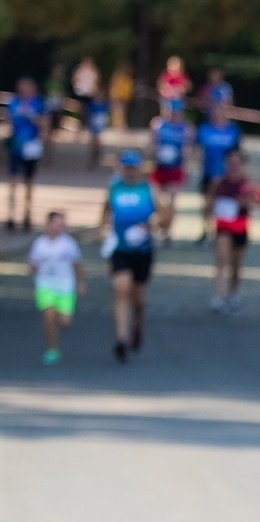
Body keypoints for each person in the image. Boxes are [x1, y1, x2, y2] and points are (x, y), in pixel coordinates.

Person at [100, 150, 158, 362]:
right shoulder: (114, 187)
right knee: (121, 290)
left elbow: (163, 216)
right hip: (120, 248)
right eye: (126, 167)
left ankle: (138, 322)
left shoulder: (148, 189)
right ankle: (121, 339)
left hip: (143, 250)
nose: (130, 171)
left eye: (133, 167)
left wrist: (151, 225)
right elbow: (106, 210)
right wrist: (103, 230)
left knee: (139, 298)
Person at [207, 148, 260, 313]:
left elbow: (259, 203)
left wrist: (245, 203)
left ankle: (233, 292)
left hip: (240, 227)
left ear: (242, 164)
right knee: (221, 261)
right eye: (230, 163)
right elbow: (209, 202)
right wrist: (213, 208)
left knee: (236, 265)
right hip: (223, 227)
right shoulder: (218, 182)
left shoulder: (249, 184)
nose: (233, 166)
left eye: (237, 163)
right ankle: (219, 296)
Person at [28, 211, 86, 366]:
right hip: (45, 285)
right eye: (56, 223)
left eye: (62, 224)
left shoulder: (68, 244)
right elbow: (32, 263)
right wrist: (32, 268)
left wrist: (80, 282)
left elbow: (77, 264)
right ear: (48, 225)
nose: (59, 227)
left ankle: (62, 322)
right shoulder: (40, 244)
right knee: (48, 316)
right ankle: (52, 350)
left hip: (65, 285)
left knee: (65, 321)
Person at [195, 103, 241, 243]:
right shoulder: (204, 130)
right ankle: (205, 229)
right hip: (208, 171)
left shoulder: (233, 130)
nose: (217, 114)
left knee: (222, 204)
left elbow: (237, 153)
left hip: (226, 174)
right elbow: (197, 149)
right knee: (207, 202)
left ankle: (221, 231)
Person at [148, 100, 191, 244]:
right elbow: (151, 144)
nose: (172, 115)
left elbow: (188, 148)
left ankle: (168, 232)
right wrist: (153, 150)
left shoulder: (185, 128)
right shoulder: (158, 124)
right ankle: (161, 223)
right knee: (156, 201)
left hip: (175, 168)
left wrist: (185, 155)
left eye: (175, 112)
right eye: (170, 111)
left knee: (172, 202)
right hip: (159, 167)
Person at [6, 77, 46, 233]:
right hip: (16, 147)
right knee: (13, 181)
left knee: (28, 182)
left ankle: (27, 214)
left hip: (31, 146)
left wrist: (30, 115)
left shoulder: (38, 103)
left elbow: (44, 123)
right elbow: (10, 122)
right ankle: (11, 215)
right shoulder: (14, 102)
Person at [42, 64, 68, 159]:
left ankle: (50, 151)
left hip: (57, 109)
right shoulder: (48, 82)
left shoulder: (63, 83)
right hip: (49, 109)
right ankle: (45, 148)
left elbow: (64, 96)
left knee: (54, 132)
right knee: (47, 129)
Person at [84, 86, 110, 170]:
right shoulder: (92, 105)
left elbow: (106, 115)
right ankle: (92, 158)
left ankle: (97, 156)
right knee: (93, 143)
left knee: (99, 142)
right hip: (93, 126)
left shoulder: (104, 105)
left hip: (100, 126)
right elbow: (88, 115)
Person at [109, 63, 134, 131]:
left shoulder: (127, 78)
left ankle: (120, 126)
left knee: (122, 112)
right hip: (117, 97)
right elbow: (114, 88)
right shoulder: (118, 77)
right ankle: (116, 126)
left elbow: (128, 89)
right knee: (117, 112)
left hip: (123, 98)